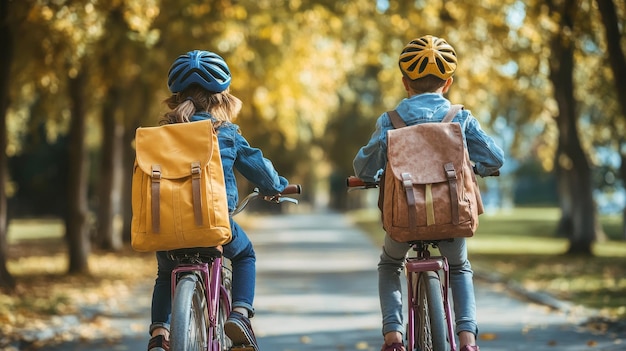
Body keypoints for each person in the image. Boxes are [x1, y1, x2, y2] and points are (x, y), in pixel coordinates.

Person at [353, 35, 504, 351]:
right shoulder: (460, 118)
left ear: (406, 83)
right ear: (447, 83)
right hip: (451, 217)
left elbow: (364, 168)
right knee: (460, 266)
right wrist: (478, 170)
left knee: (390, 264)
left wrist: (372, 176)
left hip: (404, 221)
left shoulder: (391, 121)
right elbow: (495, 158)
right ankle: (467, 339)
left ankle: (394, 336)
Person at [147, 50, 289, 351]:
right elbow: (259, 169)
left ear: (175, 97)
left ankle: (159, 333)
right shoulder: (226, 133)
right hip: (214, 224)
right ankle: (239, 314)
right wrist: (276, 186)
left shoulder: (161, 134)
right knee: (245, 254)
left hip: (168, 227)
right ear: (221, 98)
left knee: (165, 271)